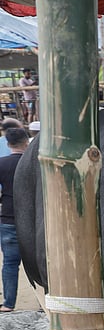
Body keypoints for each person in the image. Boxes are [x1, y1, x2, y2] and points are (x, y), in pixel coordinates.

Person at [0, 126, 29, 312]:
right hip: (34, 219)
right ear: (26, 142)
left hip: (9, 217)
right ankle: (47, 300)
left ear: (8, 143)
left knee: (10, 263)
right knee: (44, 262)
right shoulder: (34, 162)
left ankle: (9, 304)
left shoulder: (1, 163)